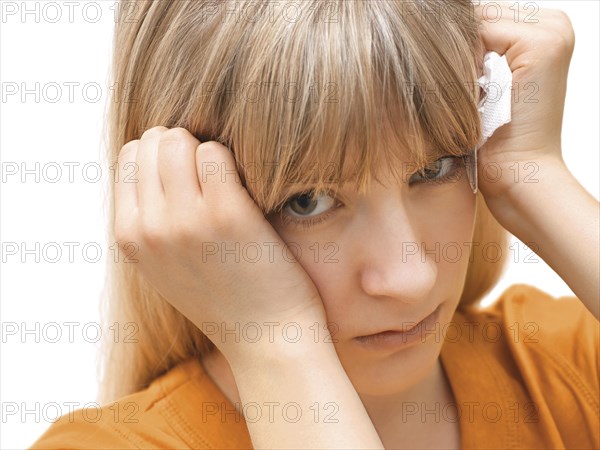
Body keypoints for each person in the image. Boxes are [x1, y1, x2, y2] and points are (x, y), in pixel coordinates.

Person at [30, 1, 599, 449]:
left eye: (434, 167)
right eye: (307, 201)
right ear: (182, 204)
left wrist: (535, 177)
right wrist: (274, 338)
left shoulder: (564, 367)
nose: (410, 278)